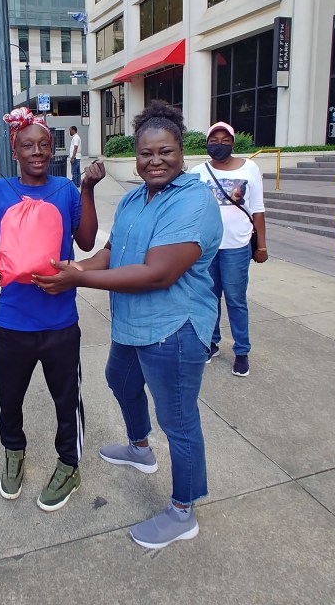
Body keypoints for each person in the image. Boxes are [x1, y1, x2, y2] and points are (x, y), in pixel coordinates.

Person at [33, 101, 222, 550]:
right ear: (135, 156)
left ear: (182, 151)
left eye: (165, 151)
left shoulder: (194, 202)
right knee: (119, 379)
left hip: (174, 329)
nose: (155, 161)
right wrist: (76, 267)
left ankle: (183, 511)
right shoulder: (136, 198)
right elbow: (111, 253)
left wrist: (79, 280)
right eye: (146, 153)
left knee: (178, 420)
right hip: (133, 324)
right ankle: (139, 449)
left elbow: (158, 273)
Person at [0, 107, 105, 512]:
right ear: (15, 152)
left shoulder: (66, 190)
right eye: (27, 146)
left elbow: (86, 241)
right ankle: (14, 453)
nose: (37, 152)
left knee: (66, 401)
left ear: (52, 149)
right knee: (10, 399)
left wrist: (87, 190)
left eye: (43, 145)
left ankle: (69, 465)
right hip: (13, 321)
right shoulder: (0, 191)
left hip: (60, 322)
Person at [191, 122, 268, 378]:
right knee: (209, 299)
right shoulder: (198, 172)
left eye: (225, 140)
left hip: (237, 246)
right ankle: (211, 343)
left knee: (236, 300)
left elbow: (258, 209)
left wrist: (261, 245)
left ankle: (242, 351)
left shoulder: (250, 168)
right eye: (214, 140)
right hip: (207, 248)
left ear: (233, 143)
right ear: (207, 143)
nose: (219, 144)